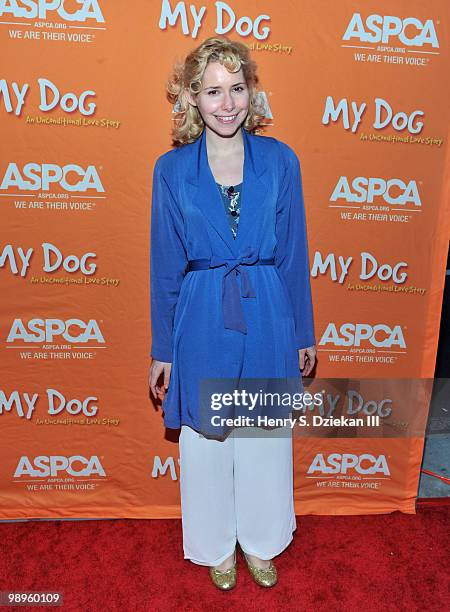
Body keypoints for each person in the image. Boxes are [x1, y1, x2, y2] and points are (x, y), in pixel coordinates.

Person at [149, 36, 316, 590]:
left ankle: (263, 540)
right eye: (213, 91)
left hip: (268, 304)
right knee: (206, 439)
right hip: (200, 310)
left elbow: (293, 254)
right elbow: (166, 264)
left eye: (237, 88)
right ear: (192, 98)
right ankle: (216, 545)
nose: (227, 103)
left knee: (264, 432)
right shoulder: (171, 170)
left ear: (252, 93)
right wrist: (163, 350)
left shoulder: (281, 159)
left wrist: (303, 333)